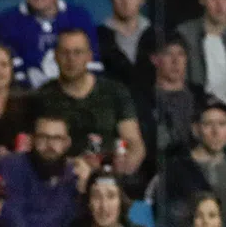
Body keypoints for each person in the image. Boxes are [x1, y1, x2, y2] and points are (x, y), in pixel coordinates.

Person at [33, 28, 144, 177]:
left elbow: (134, 143)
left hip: (109, 177)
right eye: (65, 53)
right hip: (61, 177)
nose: (71, 59)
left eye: (77, 52)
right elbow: (39, 148)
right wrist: (76, 166)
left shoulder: (115, 91)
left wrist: (125, 166)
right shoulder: (43, 96)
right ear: (55, 57)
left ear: (89, 56)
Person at [155, 99, 226, 227]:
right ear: (196, 130)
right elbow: (169, 215)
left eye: (222, 124)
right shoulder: (175, 169)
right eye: (208, 124)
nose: (215, 131)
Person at [0, 113, 84, 227]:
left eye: (57, 138)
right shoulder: (12, 165)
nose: (50, 145)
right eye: (43, 137)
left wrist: (84, 189)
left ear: (67, 143)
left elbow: (72, 224)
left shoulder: (74, 175)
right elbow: (9, 215)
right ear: (32, 139)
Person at [0, 0, 99, 90]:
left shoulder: (79, 17)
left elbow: (93, 65)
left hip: (76, 94)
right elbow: (6, 73)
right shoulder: (6, 22)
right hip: (29, 98)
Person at [140, 33, 202, 162]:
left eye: (181, 54)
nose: (176, 61)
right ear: (154, 59)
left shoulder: (200, 96)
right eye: (168, 54)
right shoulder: (142, 98)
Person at [98, 0, 156, 110]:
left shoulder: (158, 36)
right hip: (110, 110)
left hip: (152, 113)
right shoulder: (98, 36)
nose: (125, 0)